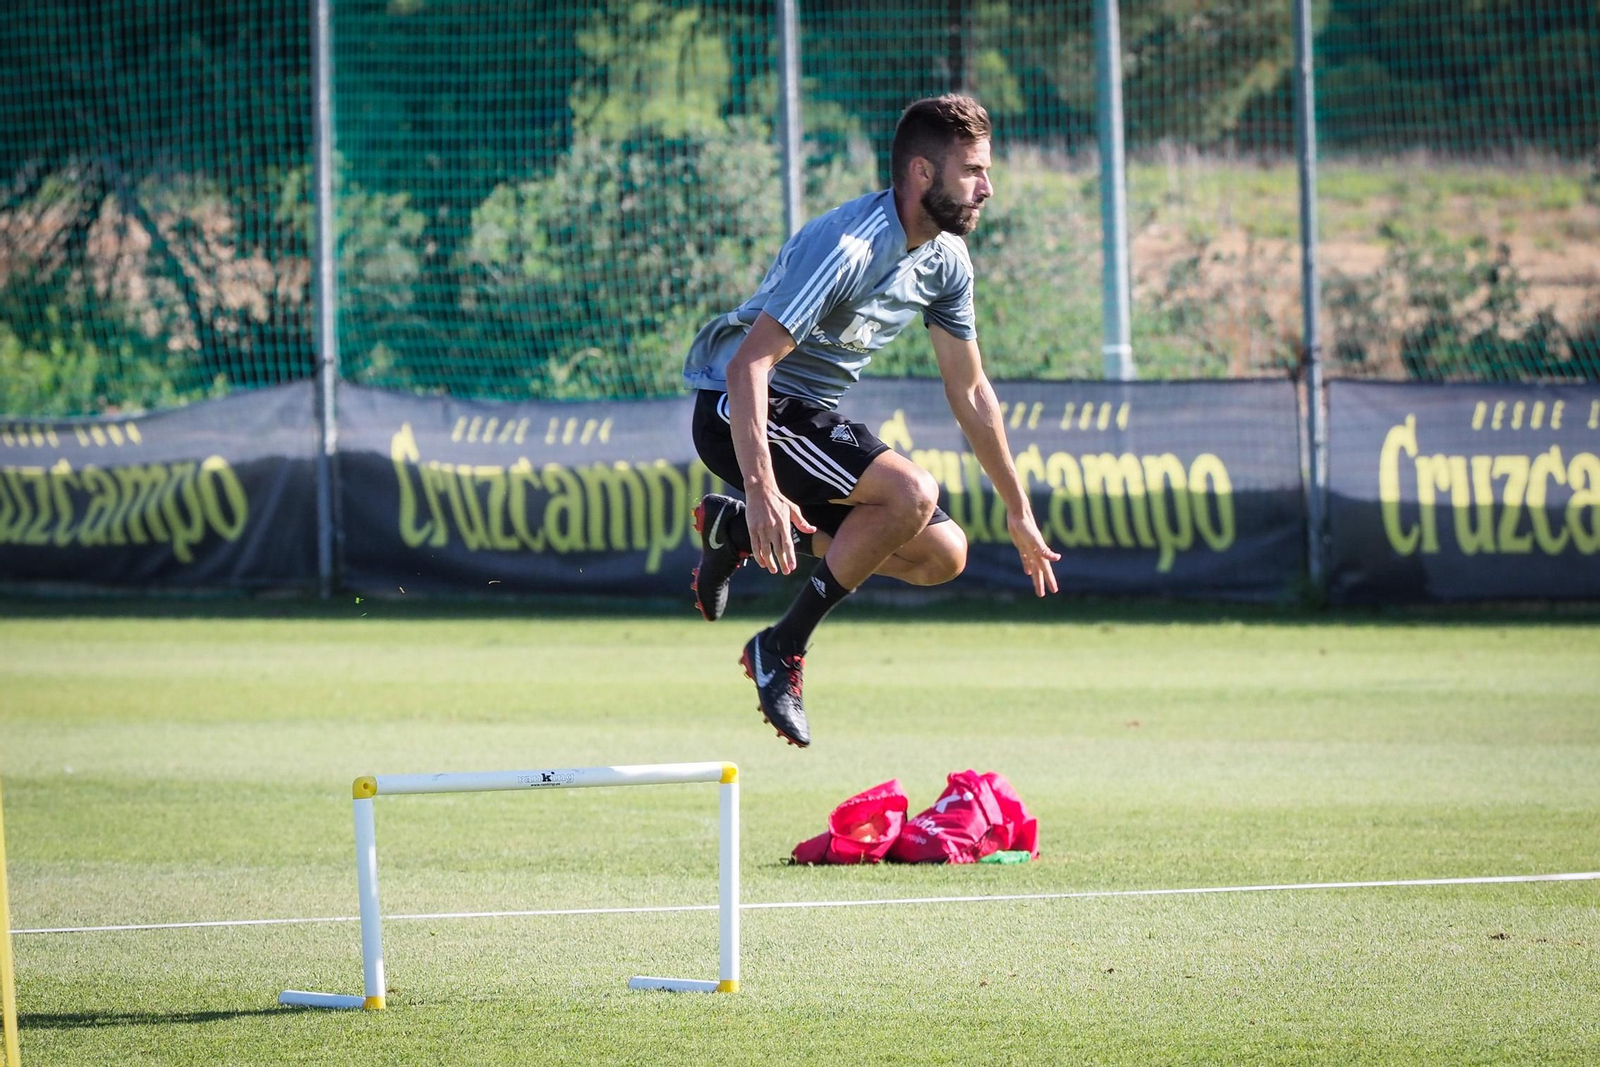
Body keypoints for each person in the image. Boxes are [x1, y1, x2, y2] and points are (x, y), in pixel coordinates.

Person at [682, 93, 1060, 749]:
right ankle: (781, 645)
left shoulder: (946, 262)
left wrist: (1018, 509)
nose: (987, 188)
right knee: (912, 491)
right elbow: (748, 367)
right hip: (735, 406)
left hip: (799, 417)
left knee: (943, 553)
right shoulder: (852, 246)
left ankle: (733, 527)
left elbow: (969, 390)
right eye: (973, 170)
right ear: (922, 173)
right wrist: (764, 487)